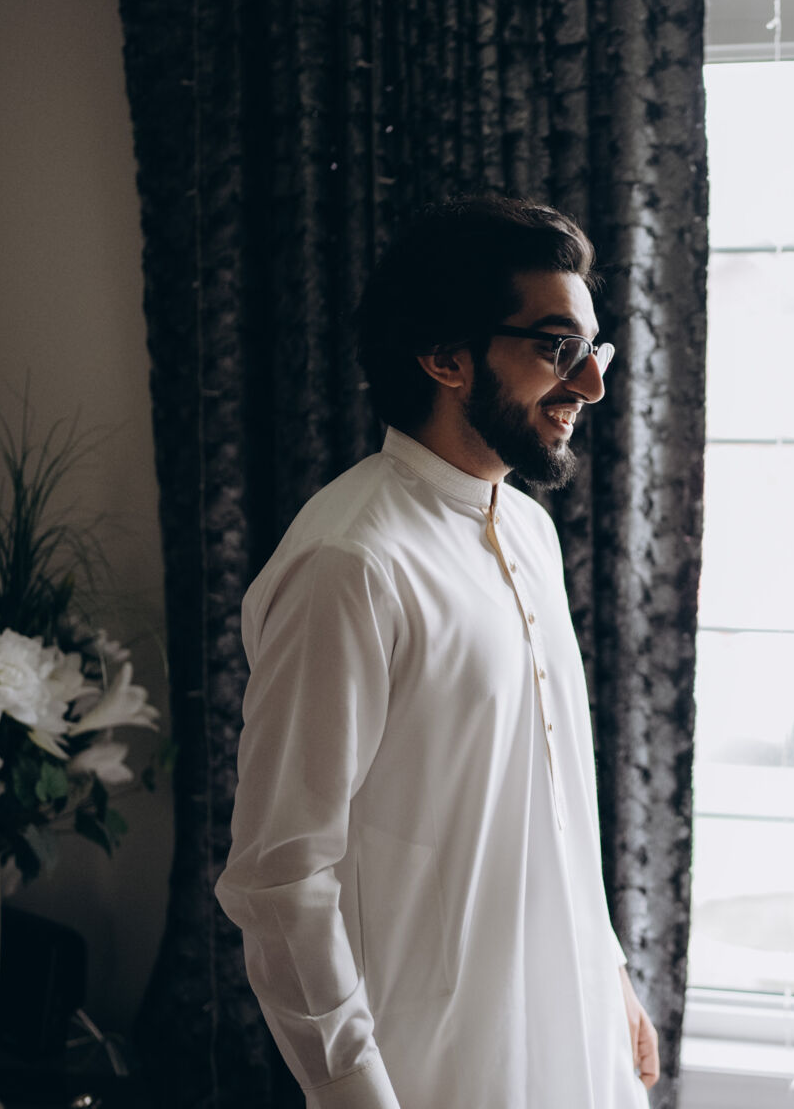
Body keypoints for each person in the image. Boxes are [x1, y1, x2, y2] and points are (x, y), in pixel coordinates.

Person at [216, 196, 657, 1108]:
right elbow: (279, 874)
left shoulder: (530, 531)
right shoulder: (349, 563)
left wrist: (608, 971)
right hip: (436, 1064)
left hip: (579, 1034)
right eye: (557, 348)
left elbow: (558, 797)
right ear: (445, 357)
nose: (590, 386)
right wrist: (352, 1090)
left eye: (594, 350)